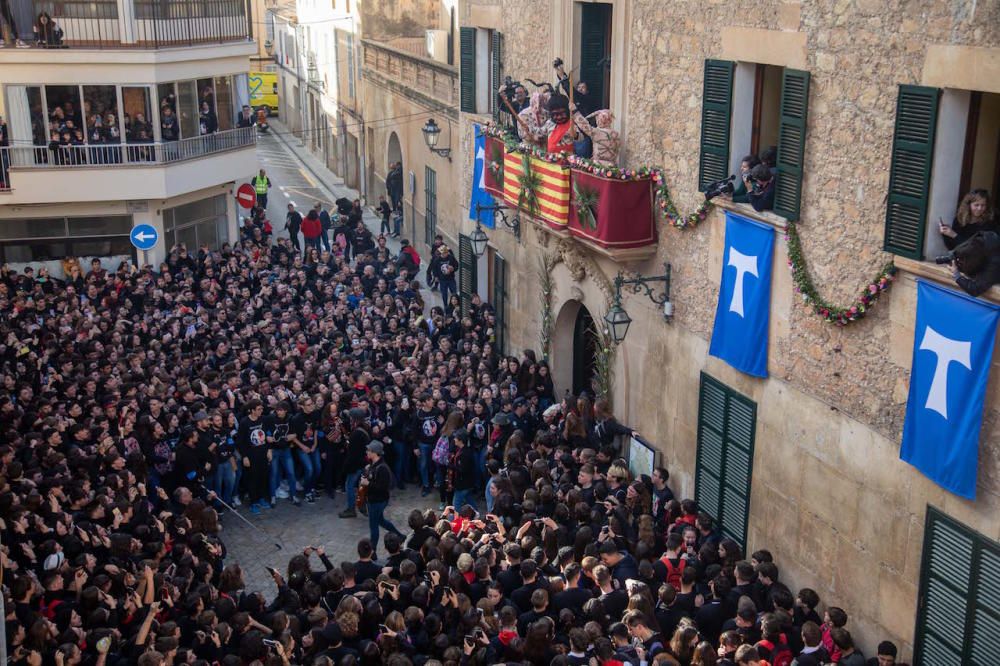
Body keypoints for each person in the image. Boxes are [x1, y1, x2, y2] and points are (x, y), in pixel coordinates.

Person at [359, 441, 405, 555]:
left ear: (375, 453)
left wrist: (367, 484)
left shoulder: (382, 468)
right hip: (374, 500)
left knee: (373, 527)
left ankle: (372, 552)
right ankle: (400, 536)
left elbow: (382, 487)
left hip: (377, 501)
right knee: (381, 521)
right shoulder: (373, 464)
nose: (367, 452)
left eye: (369, 450)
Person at [427, 243, 459, 313]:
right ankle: (446, 307)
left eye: (446, 253)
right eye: (443, 253)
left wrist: (453, 268)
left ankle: (455, 306)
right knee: (444, 294)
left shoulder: (451, 258)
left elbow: (457, 265)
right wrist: (436, 276)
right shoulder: (437, 260)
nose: (445, 254)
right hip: (442, 280)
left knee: (454, 293)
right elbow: (434, 269)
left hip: (451, 279)